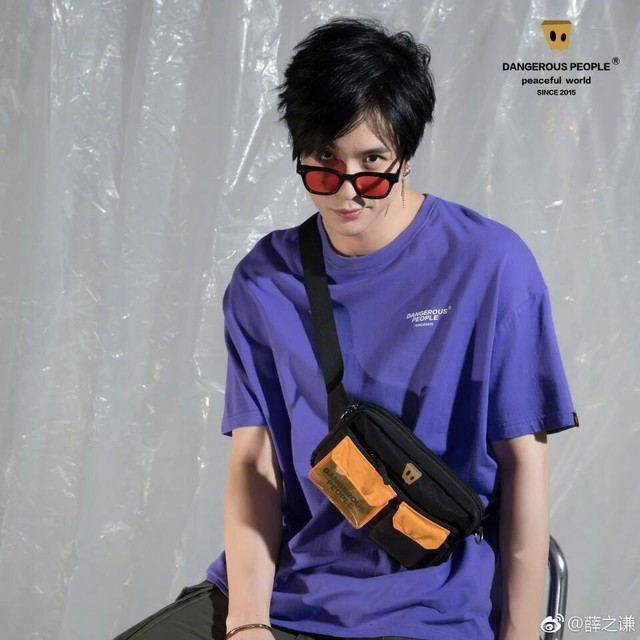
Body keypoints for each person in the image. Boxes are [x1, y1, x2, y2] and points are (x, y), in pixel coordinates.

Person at [113, 16, 579, 640]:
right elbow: (254, 464)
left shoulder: (491, 267)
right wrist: (248, 623)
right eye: (324, 163)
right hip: (282, 593)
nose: (347, 191)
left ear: (406, 156)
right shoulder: (265, 282)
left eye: (372, 162)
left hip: (429, 607)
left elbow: (524, 465)